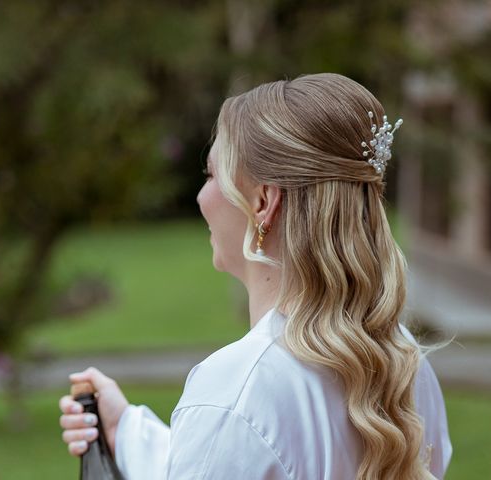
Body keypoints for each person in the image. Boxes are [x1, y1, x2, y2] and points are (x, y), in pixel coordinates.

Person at [58, 73, 452, 479]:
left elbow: (242, 438)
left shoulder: (238, 391)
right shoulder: (403, 363)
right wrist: (125, 430)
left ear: (263, 202)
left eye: (212, 176)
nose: (201, 197)